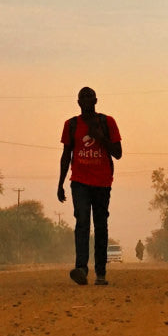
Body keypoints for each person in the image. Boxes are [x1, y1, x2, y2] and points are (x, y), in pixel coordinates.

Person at [57, 86, 122, 286]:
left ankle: (100, 272)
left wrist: (99, 135)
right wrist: (60, 183)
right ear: (78, 102)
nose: (86, 100)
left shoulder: (107, 122)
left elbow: (118, 153)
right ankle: (82, 268)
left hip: (102, 182)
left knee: (101, 226)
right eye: (82, 97)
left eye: (89, 96)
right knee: (82, 222)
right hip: (79, 182)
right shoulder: (71, 125)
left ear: (96, 100)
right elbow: (66, 155)